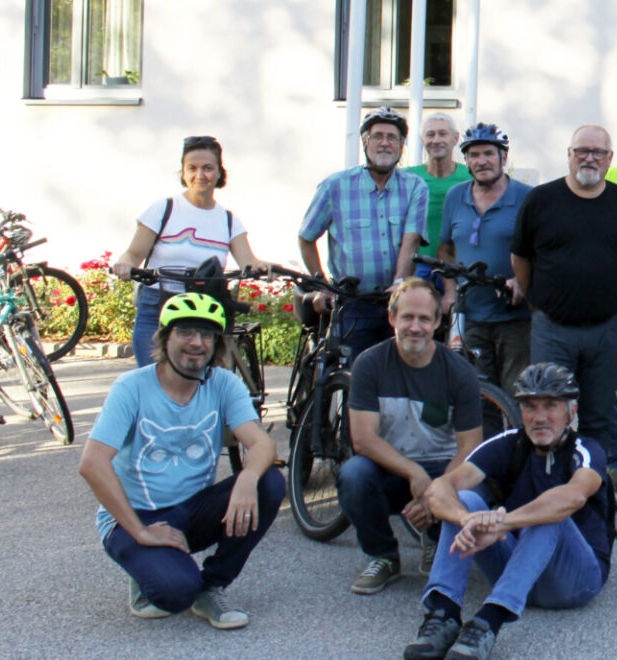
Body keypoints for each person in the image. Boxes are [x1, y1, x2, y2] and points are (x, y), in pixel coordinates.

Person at [78, 292, 285, 629]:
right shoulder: (132, 387)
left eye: (206, 335)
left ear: (217, 344)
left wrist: (247, 479)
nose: (197, 343)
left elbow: (260, 443)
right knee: (174, 593)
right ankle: (150, 571)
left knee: (269, 482)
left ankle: (211, 586)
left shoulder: (223, 383)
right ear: (165, 337)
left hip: (192, 509)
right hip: (135, 516)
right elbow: (92, 463)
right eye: (186, 332)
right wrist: (141, 531)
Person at [401, 363, 612, 660]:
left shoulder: (586, 449)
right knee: (465, 499)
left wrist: (503, 523)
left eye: (551, 406)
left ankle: (489, 621)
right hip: (517, 566)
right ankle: (443, 613)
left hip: (575, 580)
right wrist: (465, 518)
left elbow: (574, 496)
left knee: (551, 511)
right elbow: (439, 489)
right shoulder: (507, 444)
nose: (539, 417)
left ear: (571, 411)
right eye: (530, 406)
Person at [511, 125, 617, 484]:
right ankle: (546, 486)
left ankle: (591, 488)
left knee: (598, 415)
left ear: (610, 159)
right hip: (552, 328)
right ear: (569, 155)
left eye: (598, 152)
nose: (589, 158)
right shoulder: (541, 200)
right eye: (581, 151)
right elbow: (520, 258)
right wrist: (539, 301)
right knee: (546, 412)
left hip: (605, 329)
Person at [339, 278, 485, 595]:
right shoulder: (369, 364)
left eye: (423, 319)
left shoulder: (459, 372)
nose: (415, 327)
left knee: (473, 484)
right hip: (392, 468)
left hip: (442, 468)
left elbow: (470, 448)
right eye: (407, 317)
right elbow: (363, 440)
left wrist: (437, 490)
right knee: (353, 475)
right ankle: (383, 557)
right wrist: (413, 472)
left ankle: (435, 540)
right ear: (392, 319)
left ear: (437, 322)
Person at [111, 136, 272, 366]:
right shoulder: (163, 209)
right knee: (152, 380)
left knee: (202, 386)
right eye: (192, 168)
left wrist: (261, 267)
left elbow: (248, 260)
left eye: (208, 168)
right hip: (158, 305)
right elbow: (133, 254)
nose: (200, 175)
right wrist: (125, 263)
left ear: (219, 173)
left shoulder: (228, 220)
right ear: (183, 173)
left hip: (205, 310)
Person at [299, 108, 428, 356]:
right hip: (352, 302)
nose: (385, 143)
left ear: (402, 146)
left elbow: (410, 241)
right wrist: (321, 285)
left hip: (395, 301)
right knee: (352, 375)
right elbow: (306, 237)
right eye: (377, 136)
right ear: (365, 142)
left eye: (392, 137)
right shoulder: (335, 186)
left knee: (398, 374)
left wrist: (400, 282)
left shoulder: (414, 187)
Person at [438, 123, 533, 392]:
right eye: (474, 155)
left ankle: (516, 436)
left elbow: (542, 253)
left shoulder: (527, 197)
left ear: (503, 157)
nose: (482, 161)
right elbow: (445, 250)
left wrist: (521, 280)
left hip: (514, 318)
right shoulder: (456, 196)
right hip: (470, 316)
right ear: (466, 161)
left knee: (518, 393)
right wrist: (449, 292)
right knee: (477, 394)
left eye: (489, 153)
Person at [406, 113, 468, 287]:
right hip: (417, 267)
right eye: (430, 134)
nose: (436, 140)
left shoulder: (470, 177)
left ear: (455, 138)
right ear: (422, 139)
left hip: (457, 267)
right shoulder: (408, 177)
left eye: (443, 134)